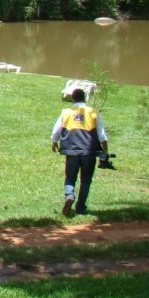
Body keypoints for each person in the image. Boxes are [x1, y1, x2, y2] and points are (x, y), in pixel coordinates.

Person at [50, 88, 109, 216]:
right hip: (89, 152)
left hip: (71, 151)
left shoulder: (66, 112)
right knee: (86, 179)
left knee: (70, 177)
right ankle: (81, 207)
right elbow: (102, 134)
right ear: (85, 98)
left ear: (73, 98)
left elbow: (56, 130)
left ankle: (69, 195)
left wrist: (54, 142)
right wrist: (105, 151)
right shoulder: (93, 112)